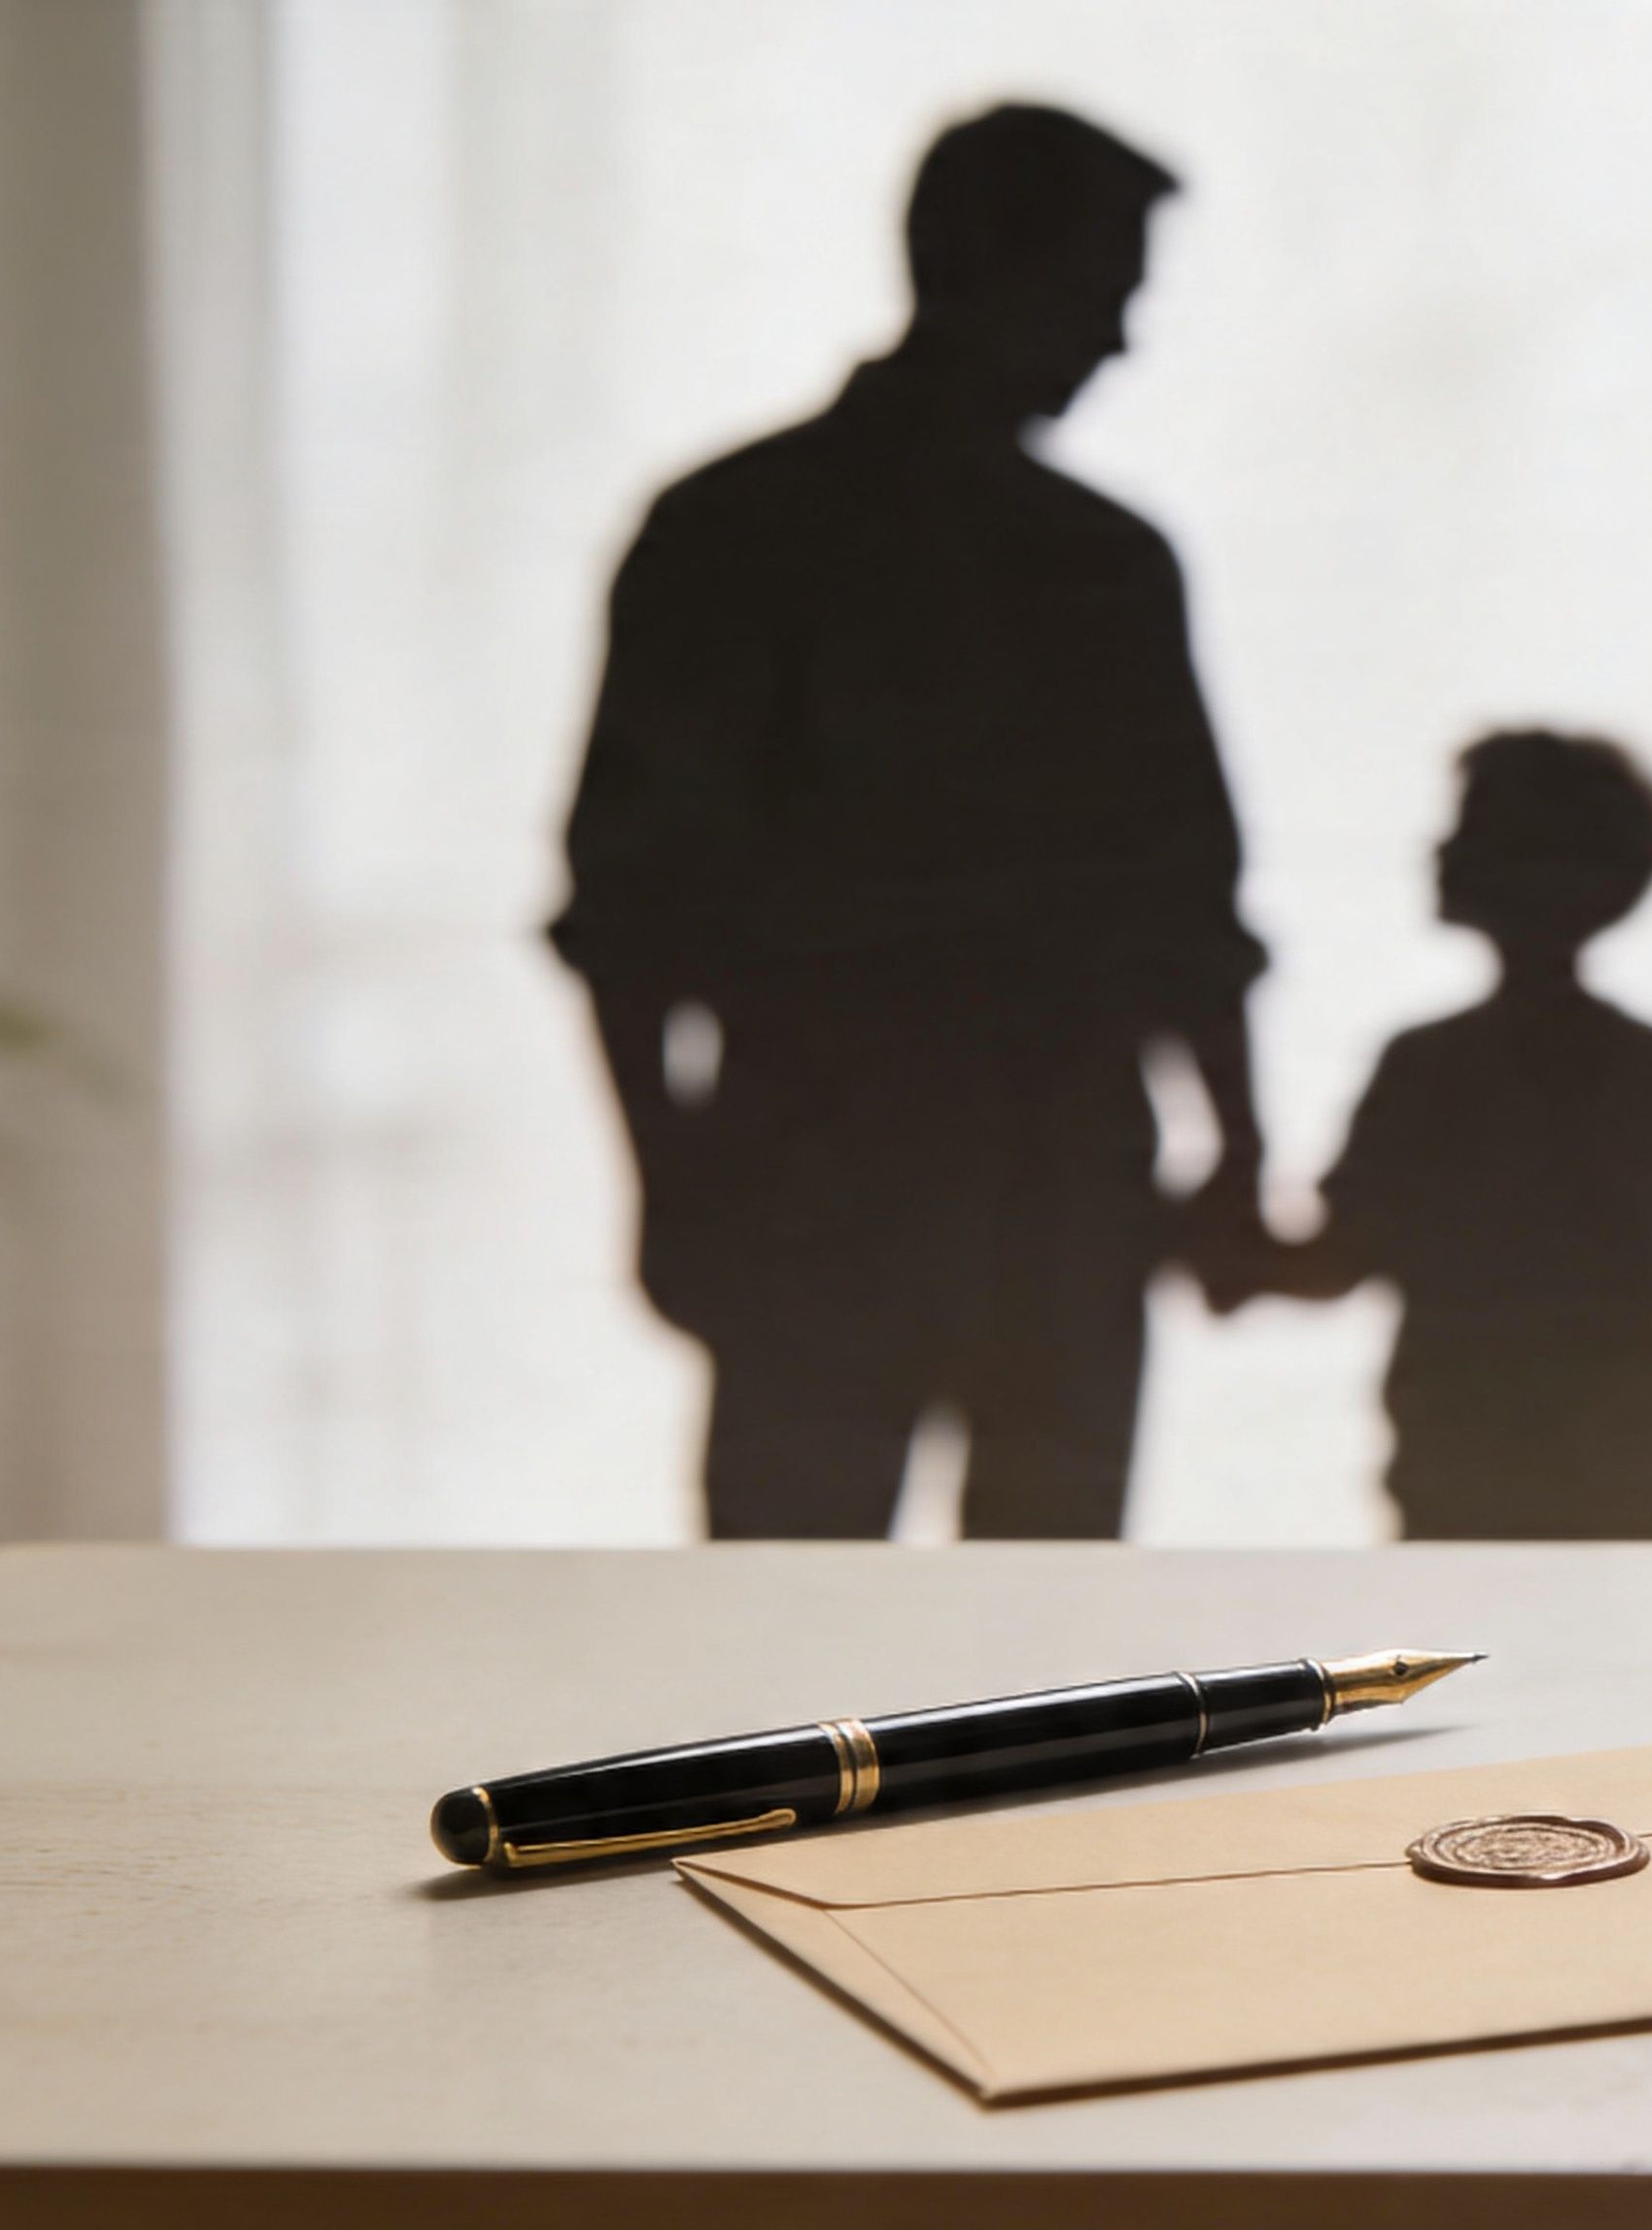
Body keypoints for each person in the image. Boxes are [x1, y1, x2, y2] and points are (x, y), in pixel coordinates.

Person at [549, 105, 1265, 1539]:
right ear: (1016, 270)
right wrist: (1240, 1156)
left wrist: (672, 1176)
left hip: (814, 1177)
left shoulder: (728, 526)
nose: (1119, 341)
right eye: (1110, 291)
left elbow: (627, 910)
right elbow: (1182, 911)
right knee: (1050, 1675)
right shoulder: (1098, 564)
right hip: (1040, 1186)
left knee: (790, 1643)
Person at [1267, 732, 1652, 1539]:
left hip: (1453, 1458)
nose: (1441, 845)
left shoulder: (1427, 1067)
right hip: (1620, 1464)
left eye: (1470, 827)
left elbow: (1340, 1259)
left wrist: (1200, 1236)